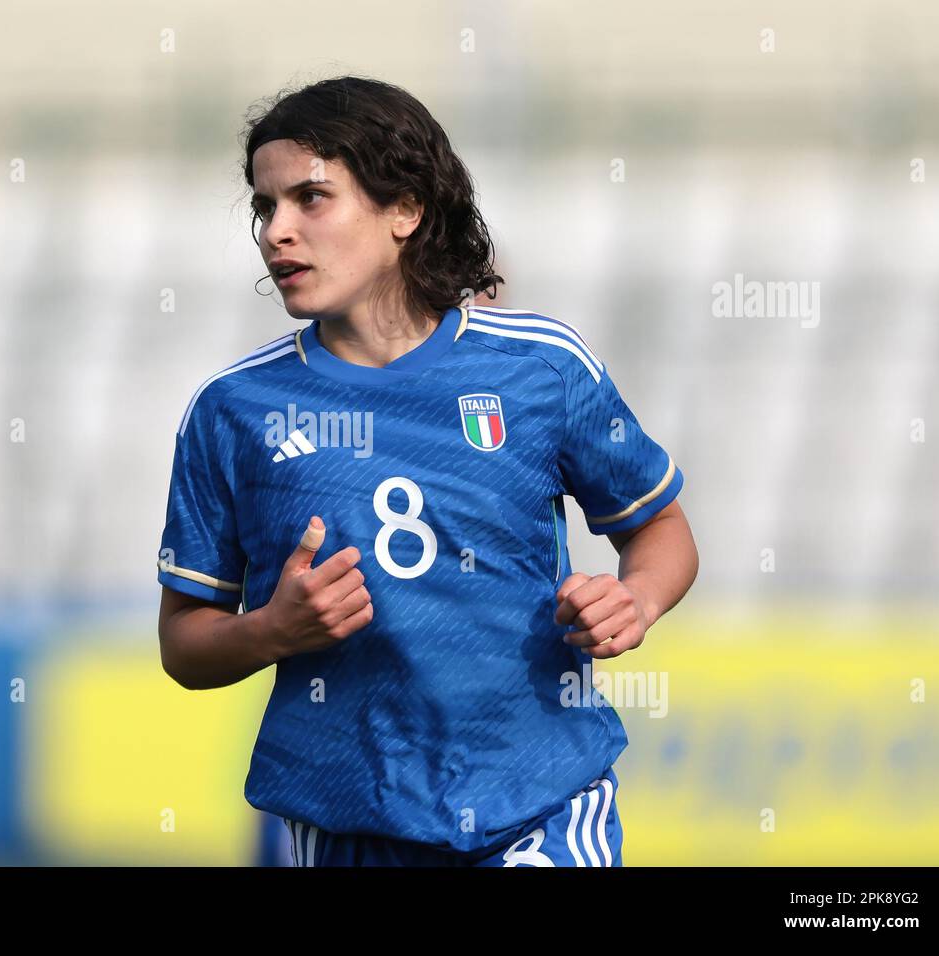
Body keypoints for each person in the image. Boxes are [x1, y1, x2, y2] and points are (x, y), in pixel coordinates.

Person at [156, 76, 699, 866]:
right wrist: (271, 629)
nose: (277, 232)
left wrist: (635, 599)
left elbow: (659, 527)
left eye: (312, 198)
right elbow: (183, 640)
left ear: (404, 210)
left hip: (539, 807)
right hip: (349, 822)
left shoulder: (541, 367)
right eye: (264, 207)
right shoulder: (232, 411)